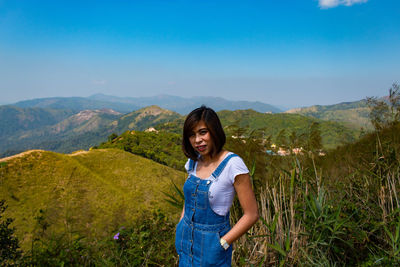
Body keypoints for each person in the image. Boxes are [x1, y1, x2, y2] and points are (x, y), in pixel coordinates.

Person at [175, 106, 259, 266]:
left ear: (215, 131)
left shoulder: (233, 164)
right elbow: (189, 201)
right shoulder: (193, 162)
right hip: (185, 242)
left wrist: (223, 243)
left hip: (212, 248)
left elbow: (252, 214)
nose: (197, 140)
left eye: (202, 132)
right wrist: (180, 226)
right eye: (192, 135)